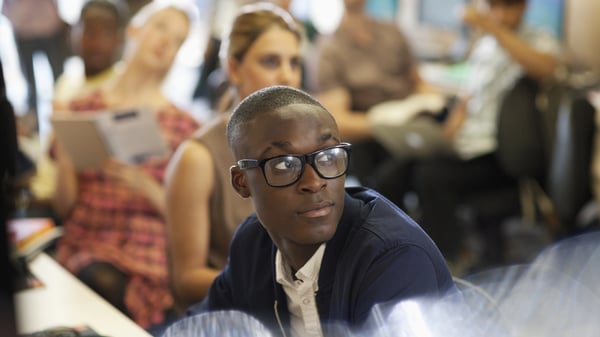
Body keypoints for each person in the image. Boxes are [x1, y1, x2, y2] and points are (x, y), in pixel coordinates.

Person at [187, 85, 455, 337]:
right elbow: (203, 327)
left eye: (327, 157)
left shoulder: (393, 259)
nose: (314, 182)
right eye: (283, 165)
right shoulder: (253, 243)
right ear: (242, 182)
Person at [51, 1, 200, 329]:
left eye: (178, 40)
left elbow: (187, 223)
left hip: (146, 254)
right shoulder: (82, 109)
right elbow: (64, 206)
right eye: (161, 28)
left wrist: (147, 187)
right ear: (134, 30)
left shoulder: (184, 127)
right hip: (88, 241)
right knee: (96, 276)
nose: (166, 42)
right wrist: (64, 150)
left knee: (104, 282)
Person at [165, 2, 304, 313]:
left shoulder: (305, 145)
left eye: (294, 62)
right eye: (271, 61)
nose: (287, 75)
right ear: (233, 68)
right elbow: (185, 280)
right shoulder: (198, 157)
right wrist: (274, 285)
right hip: (230, 314)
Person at [412, 0, 561, 273]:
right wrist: (445, 136)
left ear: (523, 7)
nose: (500, 15)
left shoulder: (539, 40)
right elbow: (466, 100)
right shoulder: (484, 47)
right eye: (494, 7)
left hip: (500, 152)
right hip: (467, 145)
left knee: (431, 176)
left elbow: (547, 69)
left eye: (508, 7)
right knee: (404, 166)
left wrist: (493, 28)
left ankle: (450, 258)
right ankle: (405, 251)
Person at [306, 0, 437, 189]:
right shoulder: (330, 48)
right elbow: (339, 121)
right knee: (398, 175)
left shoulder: (392, 33)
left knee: (438, 164)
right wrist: (391, 125)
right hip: (370, 137)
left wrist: (434, 103)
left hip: (414, 122)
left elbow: (419, 83)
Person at [1, 0, 70, 134]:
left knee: (60, 82)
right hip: (24, 30)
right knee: (30, 85)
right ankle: (34, 129)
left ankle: (65, 124)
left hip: (49, 28)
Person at [53, 0, 129, 106]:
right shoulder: (65, 83)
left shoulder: (127, 85)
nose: (97, 43)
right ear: (73, 35)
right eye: (90, 32)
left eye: (106, 34)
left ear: (119, 39)